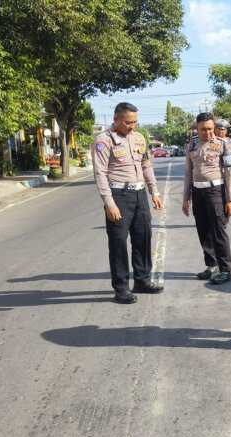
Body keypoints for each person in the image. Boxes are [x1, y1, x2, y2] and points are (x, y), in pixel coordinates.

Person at [91, 102, 164, 304]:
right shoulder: (103, 141)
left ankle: (141, 280)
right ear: (116, 119)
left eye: (135, 122)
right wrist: (109, 203)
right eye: (128, 122)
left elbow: (146, 165)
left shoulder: (139, 138)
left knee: (143, 238)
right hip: (118, 195)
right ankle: (121, 288)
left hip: (140, 194)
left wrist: (154, 192)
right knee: (118, 243)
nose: (132, 126)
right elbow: (100, 173)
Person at [182, 112, 231, 285]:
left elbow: (229, 173)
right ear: (197, 129)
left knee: (219, 232)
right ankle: (211, 265)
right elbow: (188, 173)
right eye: (203, 129)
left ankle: (225, 270)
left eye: (210, 129)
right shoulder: (192, 146)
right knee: (203, 230)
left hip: (216, 192)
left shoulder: (223, 145)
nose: (208, 133)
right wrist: (186, 198)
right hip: (198, 192)